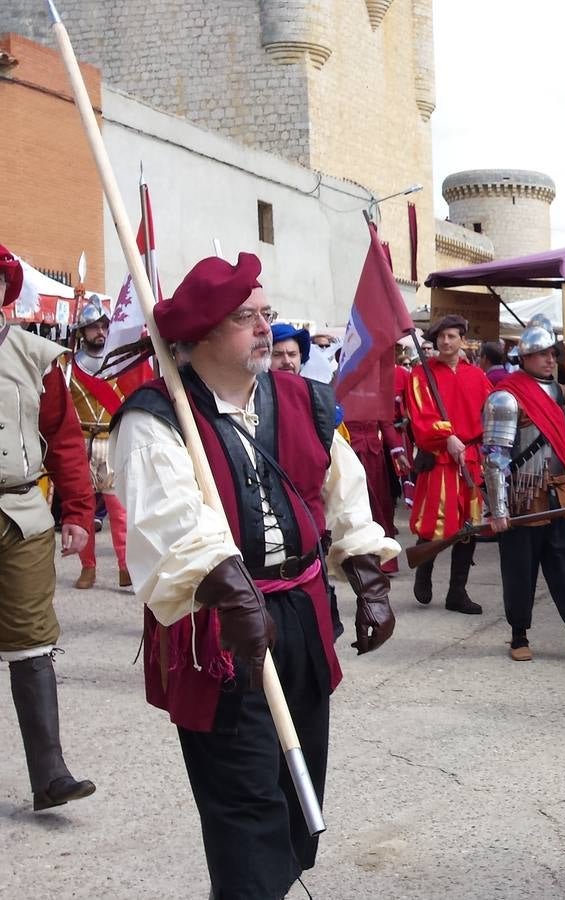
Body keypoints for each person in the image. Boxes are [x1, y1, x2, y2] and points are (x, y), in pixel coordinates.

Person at [110, 252, 399, 898]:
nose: (265, 327)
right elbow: (171, 525)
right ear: (206, 333)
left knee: (296, 805)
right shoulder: (155, 418)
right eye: (246, 318)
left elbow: (343, 491)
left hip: (300, 615)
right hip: (221, 628)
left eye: (267, 314)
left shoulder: (305, 400)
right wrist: (230, 589)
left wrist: (369, 580)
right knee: (245, 814)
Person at [0, 241, 99, 812]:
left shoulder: (37, 358)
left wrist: (78, 513)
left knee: (31, 642)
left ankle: (50, 775)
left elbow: (64, 440)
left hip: (19, 517)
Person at [482, 322, 565, 662]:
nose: (549, 359)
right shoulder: (506, 397)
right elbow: (496, 457)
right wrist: (498, 509)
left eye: (550, 353)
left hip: (561, 492)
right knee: (520, 566)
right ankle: (518, 636)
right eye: (540, 354)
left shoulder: (563, 396)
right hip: (522, 495)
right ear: (524, 357)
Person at [406, 314, 492, 614]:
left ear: (461, 340)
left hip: (470, 457)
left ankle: (457, 591)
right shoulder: (421, 374)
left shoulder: (478, 376)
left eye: (452, 336)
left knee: (469, 526)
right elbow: (420, 416)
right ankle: (424, 573)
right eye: (441, 337)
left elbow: (488, 414)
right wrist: (446, 437)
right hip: (440, 457)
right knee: (434, 522)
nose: (446, 341)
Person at [67, 296, 153, 589]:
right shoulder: (68, 366)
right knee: (85, 510)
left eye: (104, 326)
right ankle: (88, 568)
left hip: (112, 438)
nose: (100, 332)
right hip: (81, 443)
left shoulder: (120, 363)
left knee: (119, 509)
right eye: (93, 327)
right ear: (82, 331)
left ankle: (125, 566)